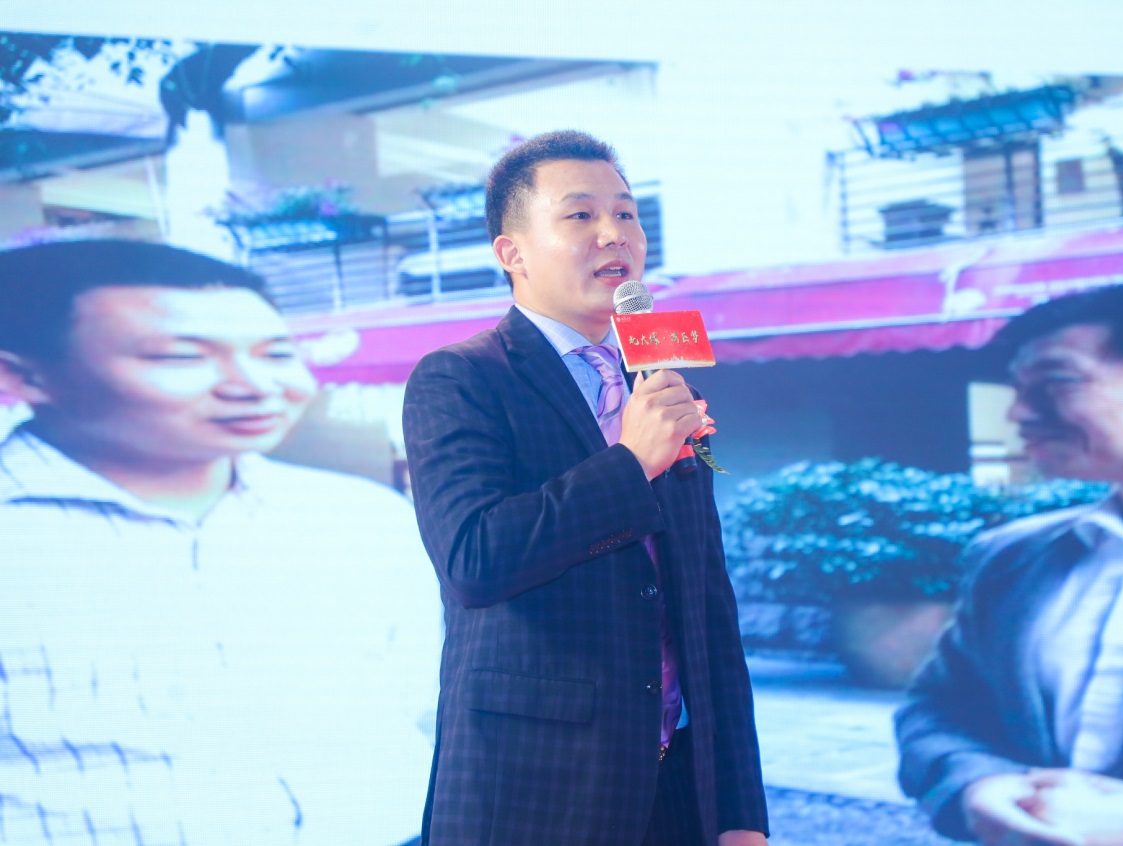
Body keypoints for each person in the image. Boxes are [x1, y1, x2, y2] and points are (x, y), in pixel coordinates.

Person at [0, 239, 442, 845]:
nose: (256, 386)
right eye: (180, 356)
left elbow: (425, 706)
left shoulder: (359, 518)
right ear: (24, 376)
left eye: (277, 353)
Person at [402, 130, 769, 846]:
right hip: (535, 790)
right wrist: (632, 462)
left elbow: (706, 604)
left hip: (677, 786)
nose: (615, 233)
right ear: (512, 252)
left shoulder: (657, 384)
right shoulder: (460, 377)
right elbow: (475, 560)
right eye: (580, 215)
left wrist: (739, 811)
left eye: (627, 213)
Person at [895, 278, 1123, 846]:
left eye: (1056, 383)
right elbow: (941, 707)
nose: (1018, 412)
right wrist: (974, 783)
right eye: (1017, 388)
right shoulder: (1013, 558)